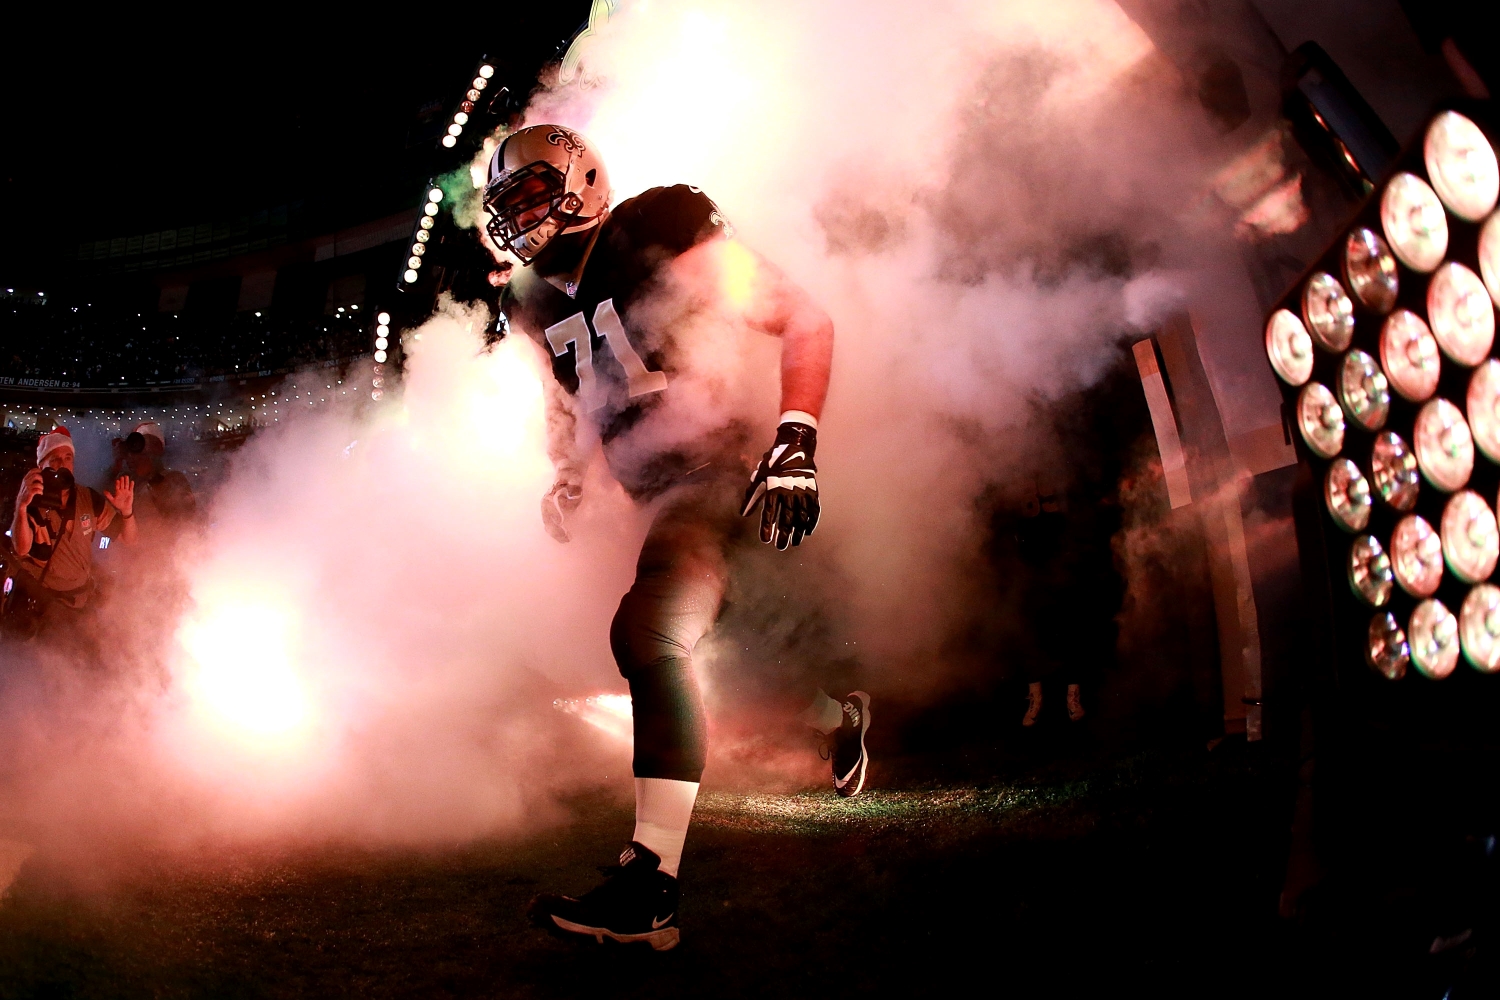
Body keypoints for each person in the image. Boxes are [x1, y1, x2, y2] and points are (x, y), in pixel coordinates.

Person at [484, 124, 864, 951]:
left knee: (649, 630)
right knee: (730, 663)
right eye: (508, 202)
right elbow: (568, 396)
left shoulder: (657, 227)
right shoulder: (528, 298)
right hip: (651, 495)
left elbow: (803, 317)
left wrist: (795, 437)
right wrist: (569, 474)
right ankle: (839, 716)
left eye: (534, 192)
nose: (521, 216)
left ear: (583, 181)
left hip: (718, 467)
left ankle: (650, 885)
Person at [3, 427, 135, 639]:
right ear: (41, 466)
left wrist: (127, 512)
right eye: (54, 459)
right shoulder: (30, 500)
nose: (62, 464)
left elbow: (129, 538)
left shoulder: (88, 498)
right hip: (43, 605)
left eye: (68, 457)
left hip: (78, 603)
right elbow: (21, 548)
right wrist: (21, 506)